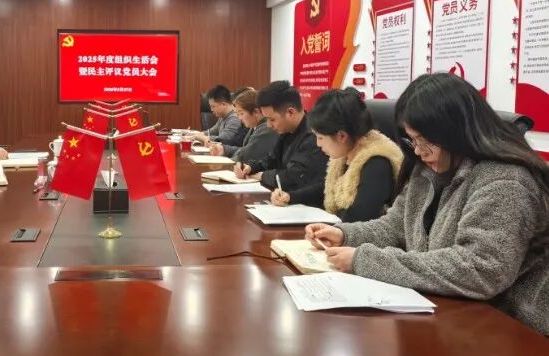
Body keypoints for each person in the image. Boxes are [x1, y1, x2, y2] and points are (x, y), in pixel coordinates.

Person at [305, 73, 549, 335]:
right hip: (447, 310)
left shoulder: (505, 180)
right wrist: (345, 235)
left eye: (425, 140)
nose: (418, 151)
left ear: (456, 131)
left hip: (508, 327)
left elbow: (481, 269)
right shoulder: (428, 167)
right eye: (413, 140)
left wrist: (364, 260)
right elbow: (397, 226)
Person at [310, 88, 403, 222]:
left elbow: (360, 217)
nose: (318, 144)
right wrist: (291, 196)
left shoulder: (377, 163)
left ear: (341, 136)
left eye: (320, 137)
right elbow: (329, 189)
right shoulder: (347, 152)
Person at [234, 81, 328, 208]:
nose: (268, 125)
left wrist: (261, 175)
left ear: (290, 112)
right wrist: (250, 167)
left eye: (272, 119)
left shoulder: (313, 136)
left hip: (307, 207)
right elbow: (271, 159)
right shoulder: (287, 130)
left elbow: (292, 178)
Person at [209, 88, 278, 165]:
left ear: (256, 112)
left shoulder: (265, 129)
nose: (239, 118)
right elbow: (244, 149)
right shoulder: (254, 126)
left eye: (241, 113)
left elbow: (245, 155)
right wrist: (224, 149)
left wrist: (228, 157)